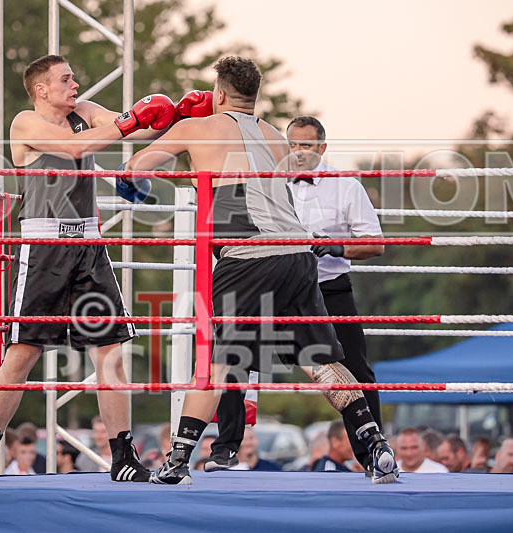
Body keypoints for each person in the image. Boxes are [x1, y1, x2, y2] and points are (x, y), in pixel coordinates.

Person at [126, 56, 397, 485]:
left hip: (247, 257)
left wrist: (165, 126)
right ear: (254, 95)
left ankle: (177, 461)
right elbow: (213, 175)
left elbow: (135, 171)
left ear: (218, 93)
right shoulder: (275, 138)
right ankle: (377, 444)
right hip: (298, 256)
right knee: (319, 359)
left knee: (216, 361)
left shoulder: (198, 128)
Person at [0, 53, 190, 484]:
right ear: (41, 89)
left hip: (88, 244)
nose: (75, 85)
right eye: (65, 79)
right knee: (22, 352)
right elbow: (76, 148)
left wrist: (175, 113)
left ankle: (122, 456)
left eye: (73, 78)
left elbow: (137, 126)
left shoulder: (85, 112)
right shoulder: (25, 123)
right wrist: (131, 121)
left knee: (111, 353)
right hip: (43, 247)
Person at [285, 115, 385, 472]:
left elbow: (375, 244)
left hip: (330, 288)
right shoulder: (270, 182)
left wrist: (337, 247)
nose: (298, 152)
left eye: (306, 145)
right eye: (292, 145)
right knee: (233, 354)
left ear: (322, 148)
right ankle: (225, 452)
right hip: (282, 289)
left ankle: (374, 456)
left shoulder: (346, 185)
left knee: (356, 370)